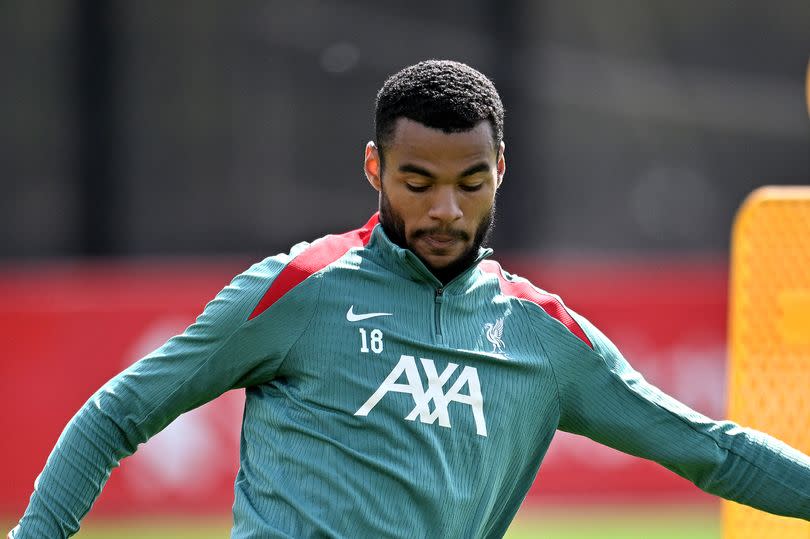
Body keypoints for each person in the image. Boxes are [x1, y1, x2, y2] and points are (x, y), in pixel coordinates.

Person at [9, 59, 810, 538]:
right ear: (373, 169)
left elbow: (709, 447)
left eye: (470, 184)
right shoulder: (299, 289)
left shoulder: (545, 337)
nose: (445, 212)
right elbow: (120, 411)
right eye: (417, 182)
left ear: (502, 172)